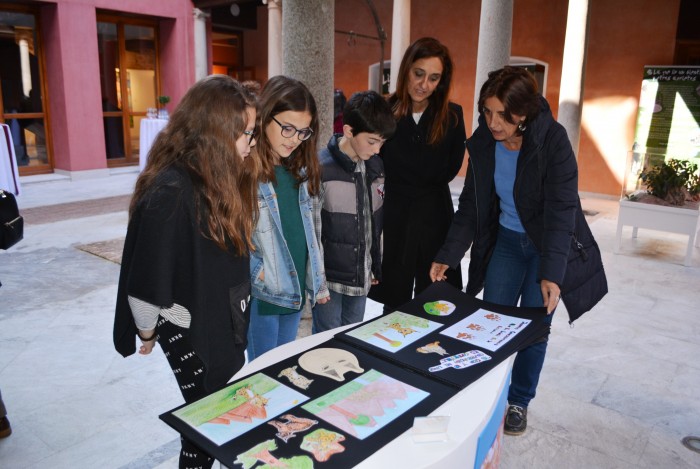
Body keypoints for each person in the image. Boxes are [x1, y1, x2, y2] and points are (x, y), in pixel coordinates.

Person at [430, 66, 607, 436]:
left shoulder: (552, 141)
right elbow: (473, 206)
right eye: (487, 112)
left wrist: (553, 274)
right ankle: (487, 394)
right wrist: (448, 253)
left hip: (543, 246)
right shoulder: (483, 141)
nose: (492, 122)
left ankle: (519, 401)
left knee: (533, 326)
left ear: (522, 114)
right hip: (507, 242)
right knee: (490, 321)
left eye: (502, 115)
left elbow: (562, 212)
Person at [113, 75, 259, 468]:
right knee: (204, 427)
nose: (251, 142)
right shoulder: (171, 190)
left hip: (221, 315)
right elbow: (146, 281)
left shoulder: (220, 175)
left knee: (213, 421)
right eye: (246, 133)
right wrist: (146, 331)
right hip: (190, 327)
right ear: (214, 134)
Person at [368, 37, 467, 311]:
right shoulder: (384, 112)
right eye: (419, 74)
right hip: (395, 216)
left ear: (442, 82)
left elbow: (452, 167)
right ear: (406, 70)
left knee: (435, 303)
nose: (424, 85)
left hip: (435, 216)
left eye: (434, 78)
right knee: (393, 304)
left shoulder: (453, 117)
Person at [247, 75, 330, 361]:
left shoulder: (301, 172)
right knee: (260, 374)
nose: (295, 139)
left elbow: (309, 235)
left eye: (303, 132)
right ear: (264, 117)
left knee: (282, 366)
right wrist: (256, 274)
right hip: (264, 293)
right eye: (287, 128)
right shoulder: (247, 174)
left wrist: (317, 281)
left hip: (294, 293)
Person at [312, 90, 396, 333]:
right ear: (349, 131)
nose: (378, 149)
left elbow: (374, 223)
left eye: (382, 142)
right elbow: (313, 231)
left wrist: (374, 265)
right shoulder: (320, 169)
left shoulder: (375, 166)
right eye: (372, 141)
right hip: (329, 280)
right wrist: (317, 282)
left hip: (361, 275)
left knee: (352, 337)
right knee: (326, 340)